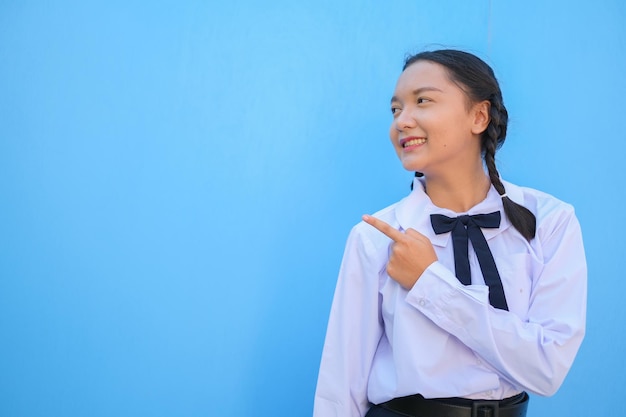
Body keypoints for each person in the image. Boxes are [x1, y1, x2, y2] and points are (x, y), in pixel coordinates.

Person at [313, 49, 586, 417]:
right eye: (395, 109)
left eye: (422, 101)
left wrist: (430, 283)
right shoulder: (378, 237)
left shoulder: (549, 221)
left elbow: (547, 368)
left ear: (478, 116)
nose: (402, 121)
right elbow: (339, 388)